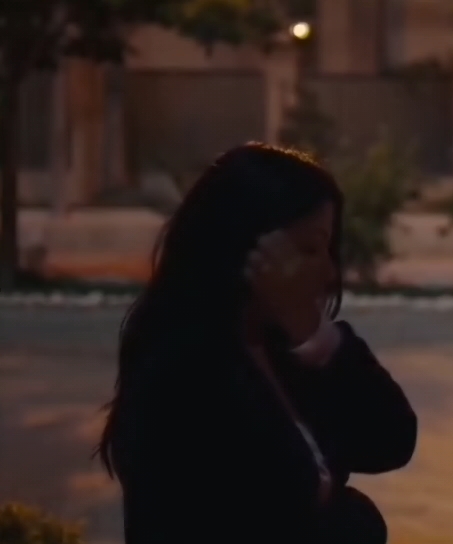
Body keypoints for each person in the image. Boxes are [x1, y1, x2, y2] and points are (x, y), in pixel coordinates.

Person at [96, 143, 417, 544]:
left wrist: (317, 338)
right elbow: (266, 512)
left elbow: (390, 441)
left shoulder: (287, 348)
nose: (328, 272)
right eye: (308, 249)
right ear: (246, 246)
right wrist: (355, 517)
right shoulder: (181, 366)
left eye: (328, 249)